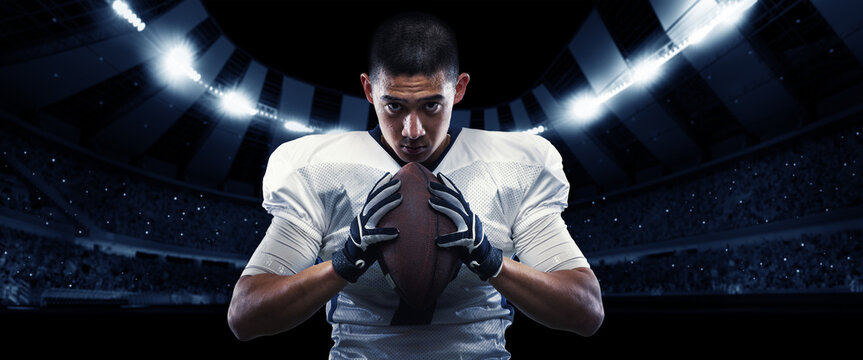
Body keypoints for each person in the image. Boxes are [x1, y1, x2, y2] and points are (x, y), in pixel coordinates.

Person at [227, 11, 604, 358]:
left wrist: (491, 261)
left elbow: (586, 310)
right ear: (369, 90)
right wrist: (342, 263)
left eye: (430, 105)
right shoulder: (321, 170)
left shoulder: (514, 167)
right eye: (394, 106)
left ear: (459, 89)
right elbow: (245, 315)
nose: (412, 131)